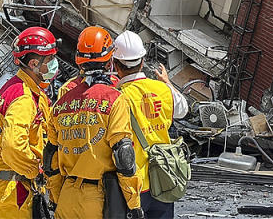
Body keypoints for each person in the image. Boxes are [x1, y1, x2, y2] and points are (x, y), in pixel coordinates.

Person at [47, 25, 144, 219]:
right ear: (110, 61)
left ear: (78, 61)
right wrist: (134, 205)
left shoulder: (61, 104)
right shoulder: (114, 99)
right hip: (99, 199)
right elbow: (124, 155)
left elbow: (51, 158)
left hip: (67, 195)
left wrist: (56, 198)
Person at [0, 26, 59, 219]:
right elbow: (13, 146)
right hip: (10, 194)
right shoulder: (23, 98)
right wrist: (34, 171)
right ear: (34, 63)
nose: (54, 64)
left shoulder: (13, 87)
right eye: (50, 60)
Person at [112, 31, 189, 219]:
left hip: (132, 185)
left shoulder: (117, 97)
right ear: (143, 61)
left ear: (115, 65)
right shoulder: (162, 90)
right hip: (163, 178)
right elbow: (183, 110)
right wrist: (168, 83)